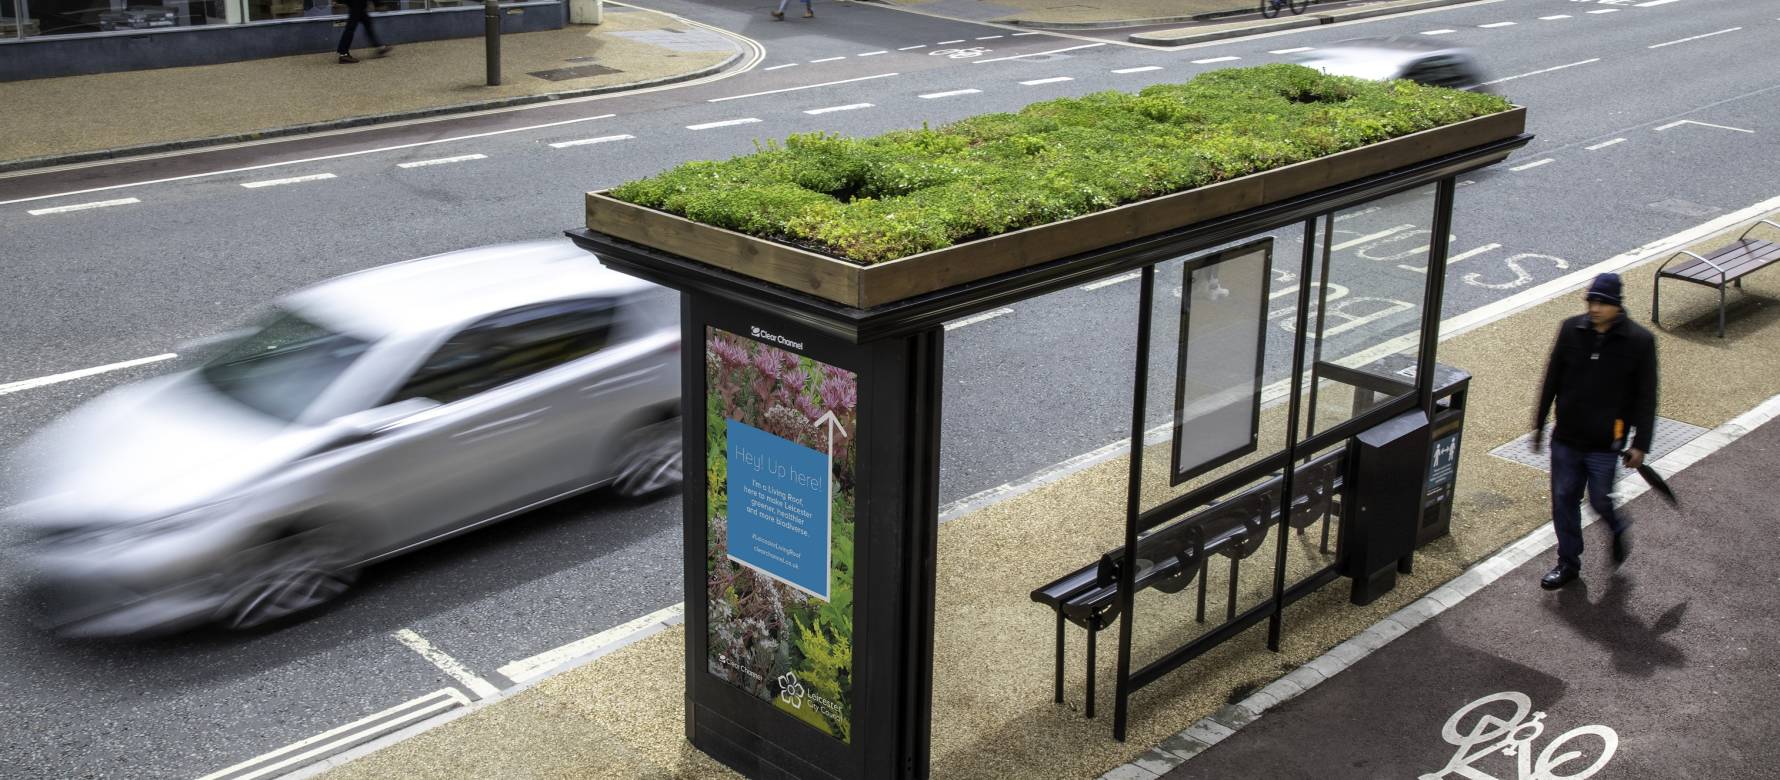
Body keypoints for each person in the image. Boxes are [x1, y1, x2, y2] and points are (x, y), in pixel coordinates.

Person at [1531, 272, 1657, 590]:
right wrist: (1539, 422)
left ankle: (1616, 526)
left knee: (1599, 500)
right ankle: (1568, 563)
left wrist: (1641, 444)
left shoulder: (1640, 342)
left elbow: (1646, 397)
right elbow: (1552, 378)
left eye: (1603, 303)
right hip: (1567, 438)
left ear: (1617, 306)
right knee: (1563, 500)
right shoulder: (1571, 330)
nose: (1596, 308)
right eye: (1592, 301)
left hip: (1605, 443)